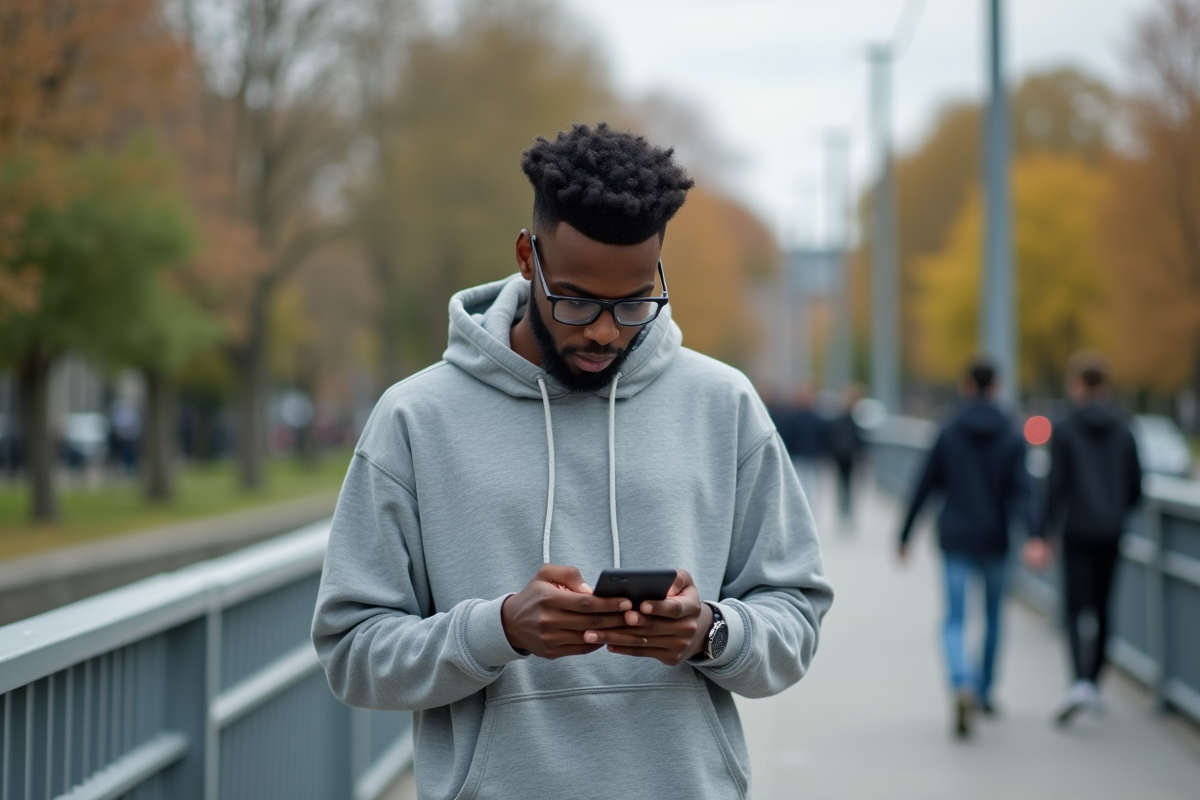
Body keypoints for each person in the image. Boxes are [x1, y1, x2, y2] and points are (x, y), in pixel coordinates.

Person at [312, 123, 833, 800]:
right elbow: (351, 652)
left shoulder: (723, 404)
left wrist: (711, 632)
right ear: (527, 257)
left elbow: (795, 613)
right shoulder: (415, 419)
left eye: (634, 302)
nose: (604, 331)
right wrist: (498, 629)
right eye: (577, 299)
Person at [896, 359, 1035, 739]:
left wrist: (905, 535)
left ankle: (961, 681)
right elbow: (1024, 490)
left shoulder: (949, 430)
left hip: (955, 538)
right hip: (995, 538)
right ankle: (984, 690)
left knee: (954, 619)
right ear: (996, 388)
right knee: (993, 618)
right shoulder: (1010, 433)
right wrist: (1035, 534)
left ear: (966, 385)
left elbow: (925, 484)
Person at [1023, 352, 1142, 726]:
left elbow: (1056, 485)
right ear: (1105, 385)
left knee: (1075, 609)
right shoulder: (1125, 427)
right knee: (1105, 607)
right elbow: (1136, 485)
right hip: (1112, 530)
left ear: (1076, 384)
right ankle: (1095, 681)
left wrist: (1043, 532)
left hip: (1076, 530)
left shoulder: (1065, 427)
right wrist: (1117, 510)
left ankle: (1079, 682)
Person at [777, 385, 826, 503]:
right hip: (798, 456)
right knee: (800, 484)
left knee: (811, 485)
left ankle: (810, 507)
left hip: (811, 456)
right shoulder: (792, 418)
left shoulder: (815, 418)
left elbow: (822, 437)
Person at [825, 384, 864, 526]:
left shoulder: (850, 418)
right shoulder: (851, 418)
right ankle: (844, 511)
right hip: (844, 454)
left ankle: (845, 511)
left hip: (845, 454)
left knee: (845, 484)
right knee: (845, 484)